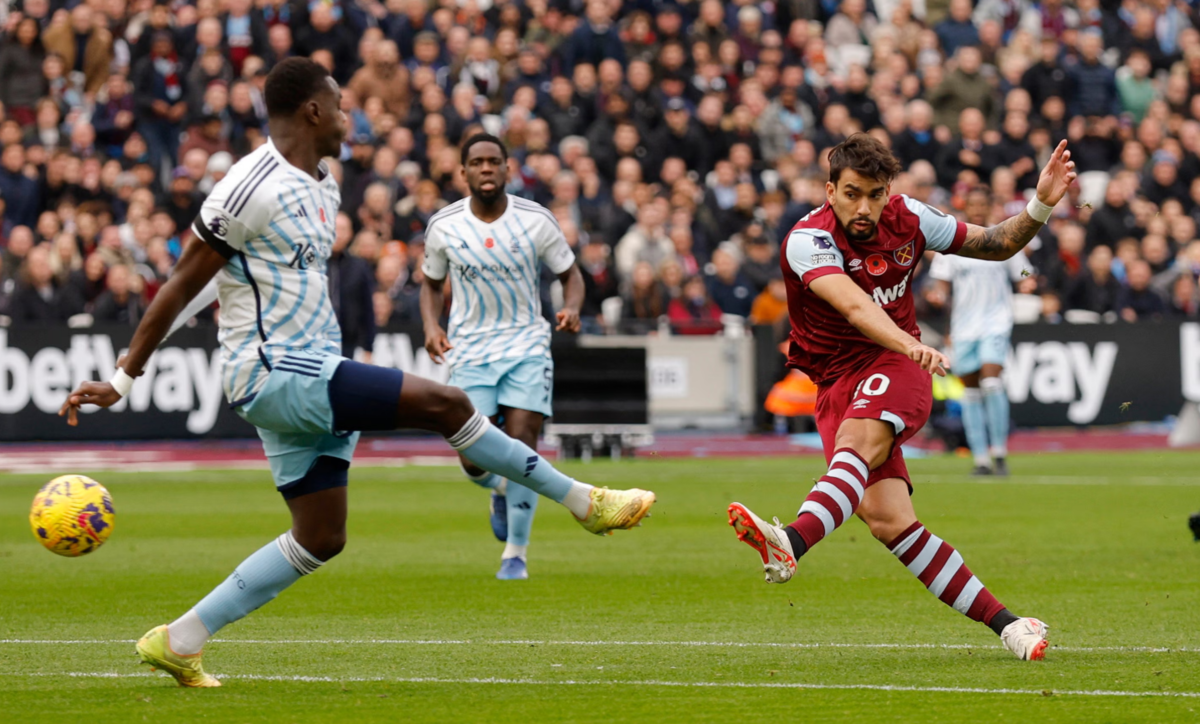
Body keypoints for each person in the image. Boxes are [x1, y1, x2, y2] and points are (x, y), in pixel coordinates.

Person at [58, 59, 655, 688]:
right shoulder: (247, 187)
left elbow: (224, 281)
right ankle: (585, 502)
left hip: (309, 368)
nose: (351, 117)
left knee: (321, 535)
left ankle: (180, 640)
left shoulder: (324, 183)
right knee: (448, 405)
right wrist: (124, 378)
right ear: (313, 111)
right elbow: (184, 284)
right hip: (272, 369)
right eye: (341, 106)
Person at [727, 133, 1076, 661]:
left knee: (856, 445)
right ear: (830, 191)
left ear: (888, 192)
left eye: (875, 195)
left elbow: (996, 244)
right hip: (837, 381)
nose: (863, 208)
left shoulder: (911, 217)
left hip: (897, 363)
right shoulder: (807, 240)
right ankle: (1010, 626)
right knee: (890, 521)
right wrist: (910, 341)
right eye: (851, 194)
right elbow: (855, 307)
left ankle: (790, 542)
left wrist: (1041, 204)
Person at [420, 134, 586, 581]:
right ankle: (499, 486)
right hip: (470, 350)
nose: (486, 168)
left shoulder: (536, 220)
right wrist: (432, 326)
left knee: (522, 443)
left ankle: (516, 554)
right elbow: (431, 283)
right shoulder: (444, 225)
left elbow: (571, 274)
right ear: (463, 172)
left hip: (526, 346)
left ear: (508, 168)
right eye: (477, 162)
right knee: (474, 457)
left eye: (494, 161)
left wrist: (572, 307)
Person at [928, 188, 1032, 476]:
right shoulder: (951, 241)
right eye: (972, 204)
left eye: (981, 204)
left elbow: (1023, 271)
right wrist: (937, 296)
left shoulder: (1003, 237)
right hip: (964, 326)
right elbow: (941, 286)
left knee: (992, 382)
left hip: (996, 321)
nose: (976, 209)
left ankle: (999, 452)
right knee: (971, 391)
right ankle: (981, 459)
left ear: (989, 207)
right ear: (965, 207)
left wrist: (1027, 282)